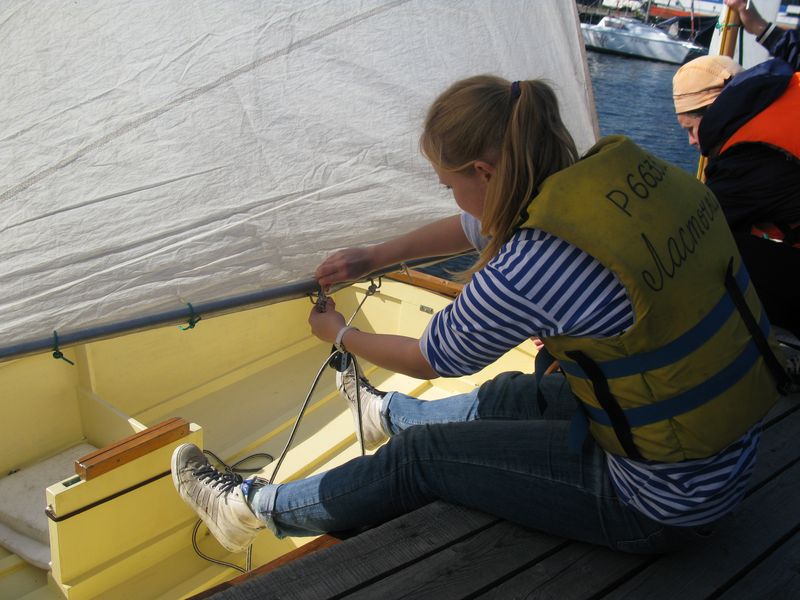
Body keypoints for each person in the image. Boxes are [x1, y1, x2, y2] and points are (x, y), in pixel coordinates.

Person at [171, 74, 786, 557]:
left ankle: (248, 510)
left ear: (484, 172)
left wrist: (341, 334)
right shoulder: (619, 186)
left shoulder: (535, 263)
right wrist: (376, 255)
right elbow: (475, 223)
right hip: (724, 457)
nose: (452, 197)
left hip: (660, 506)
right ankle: (388, 413)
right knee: (514, 394)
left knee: (423, 459)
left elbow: (427, 358)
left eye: (448, 184)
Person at [672, 0, 800, 339]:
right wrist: (759, 27)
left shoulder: (744, 161)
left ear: (716, 111)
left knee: (708, 256)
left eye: (691, 129)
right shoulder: (785, 90)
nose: (691, 142)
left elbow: (693, 236)